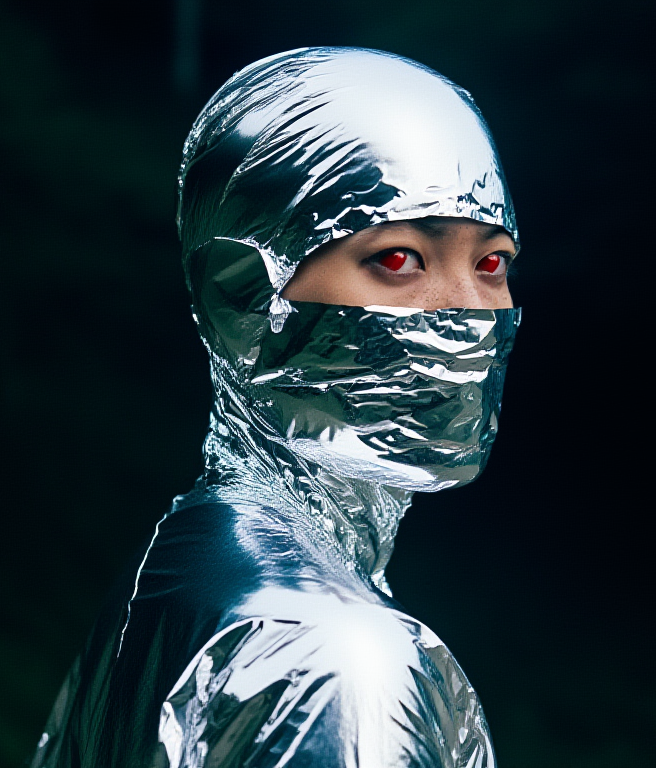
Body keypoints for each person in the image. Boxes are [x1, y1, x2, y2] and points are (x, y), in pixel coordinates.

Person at [31, 47, 521, 768]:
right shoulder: (335, 661)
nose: (465, 312)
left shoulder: (170, 585)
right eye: (397, 259)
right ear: (240, 296)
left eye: (492, 263)